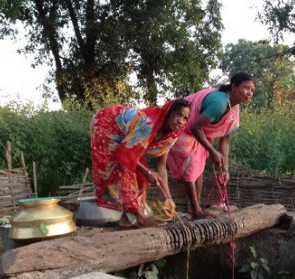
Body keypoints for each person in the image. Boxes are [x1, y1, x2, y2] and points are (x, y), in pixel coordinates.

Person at [90, 99, 191, 228]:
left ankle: (127, 220)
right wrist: (147, 172)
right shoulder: (147, 124)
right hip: (107, 124)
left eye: (185, 118)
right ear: (169, 113)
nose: (181, 121)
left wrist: (168, 197)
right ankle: (140, 217)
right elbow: (125, 155)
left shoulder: (172, 135)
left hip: (126, 139)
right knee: (123, 169)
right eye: (178, 115)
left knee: (138, 173)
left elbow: (161, 166)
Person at [167, 72, 255, 219]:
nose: (250, 93)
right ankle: (195, 210)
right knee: (192, 161)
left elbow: (225, 140)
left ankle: (195, 207)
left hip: (197, 129)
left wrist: (225, 170)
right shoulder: (219, 104)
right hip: (183, 125)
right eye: (246, 88)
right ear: (234, 87)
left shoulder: (234, 108)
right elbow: (195, 127)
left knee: (199, 166)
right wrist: (213, 151)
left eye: (252, 90)